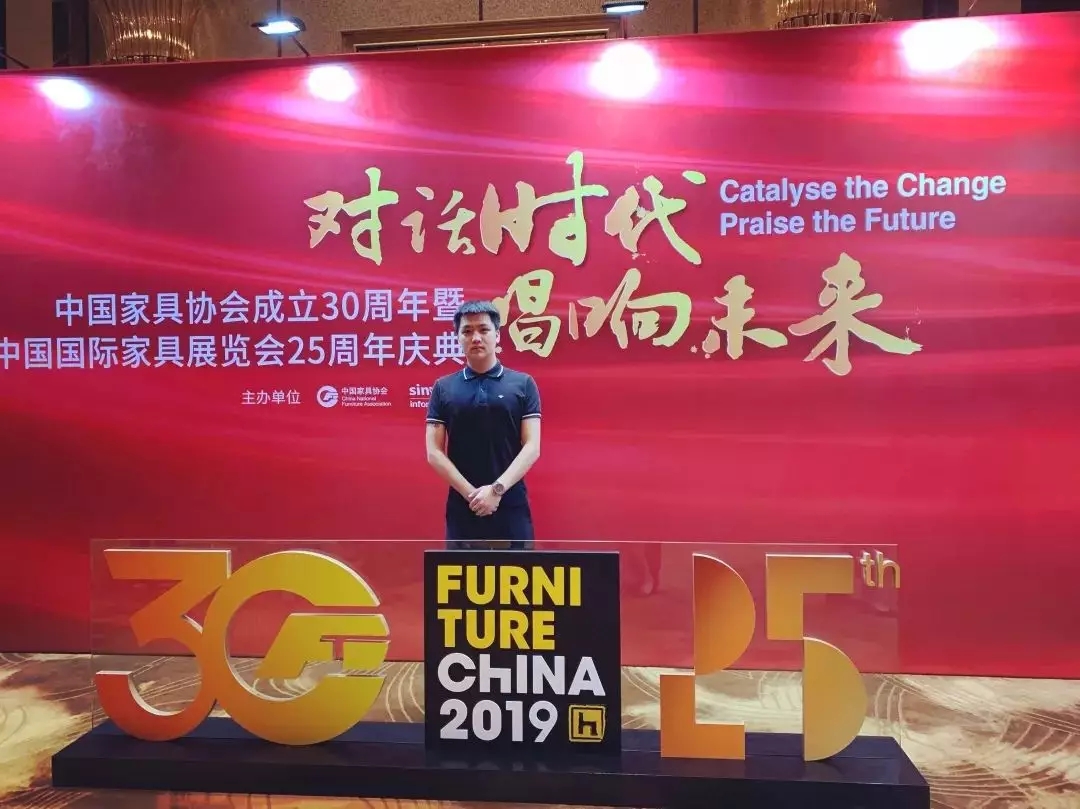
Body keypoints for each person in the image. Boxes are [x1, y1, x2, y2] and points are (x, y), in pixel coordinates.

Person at [425, 300, 542, 550]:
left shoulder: (523, 384)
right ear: (458, 338)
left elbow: (532, 447)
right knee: (460, 574)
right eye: (467, 331)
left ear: (497, 335)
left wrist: (496, 490)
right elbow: (434, 452)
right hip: (464, 506)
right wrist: (473, 495)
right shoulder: (443, 387)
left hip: (510, 503)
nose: (475, 337)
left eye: (483, 330)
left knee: (518, 573)